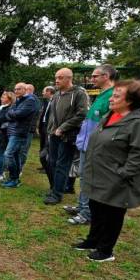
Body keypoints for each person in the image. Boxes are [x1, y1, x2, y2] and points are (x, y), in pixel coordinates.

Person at [73, 80, 140, 262]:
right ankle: (93, 240)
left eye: (117, 96)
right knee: (97, 208)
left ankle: (106, 250)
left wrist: (123, 173)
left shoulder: (139, 122)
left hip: (116, 178)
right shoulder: (110, 115)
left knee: (112, 214)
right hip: (99, 175)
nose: (112, 98)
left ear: (130, 100)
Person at [65, 64, 117, 225]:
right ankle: (82, 207)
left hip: (96, 145)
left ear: (106, 76)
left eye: (95, 76)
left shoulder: (113, 95)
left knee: (89, 178)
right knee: (84, 176)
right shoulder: (101, 94)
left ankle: (87, 213)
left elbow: (110, 123)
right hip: (86, 143)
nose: (91, 79)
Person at [45, 68, 88, 205]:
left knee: (62, 165)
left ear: (69, 78)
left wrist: (63, 128)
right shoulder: (57, 95)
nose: (56, 80)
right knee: (51, 162)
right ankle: (56, 188)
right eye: (56, 77)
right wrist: (50, 130)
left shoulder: (79, 93)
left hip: (67, 135)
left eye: (60, 77)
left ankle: (57, 194)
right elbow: (52, 115)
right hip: (53, 134)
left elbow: (81, 114)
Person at [1, 83, 39, 188]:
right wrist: (12, 114)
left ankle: (14, 178)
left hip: (20, 132)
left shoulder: (30, 100)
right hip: (13, 130)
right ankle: (15, 179)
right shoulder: (19, 100)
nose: (16, 91)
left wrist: (12, 114)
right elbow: (9, 113)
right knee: (15, 155)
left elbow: (18, 114)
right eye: (15, 89)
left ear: (25, 90)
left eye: (19, 89)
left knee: (8, 154)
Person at [18, 84, 41, 173]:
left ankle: (20, 168)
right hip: (20, 128)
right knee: (17, 148)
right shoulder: (23, 99)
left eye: (24, 89)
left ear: (29, 90)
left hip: (28, 128)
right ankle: (15, 166)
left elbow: (32, 113)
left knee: (23, 149)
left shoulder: (34, 100)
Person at [37, 86, 56, 182]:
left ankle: (48, 167)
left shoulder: (54, 101)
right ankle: (45, 166)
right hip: (44, 127)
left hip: (50, 128)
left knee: (46, 150)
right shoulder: (47, 102)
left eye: (44, 92)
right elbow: (44, 115)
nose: (43, 93)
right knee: (43, 147)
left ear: (49, 91)